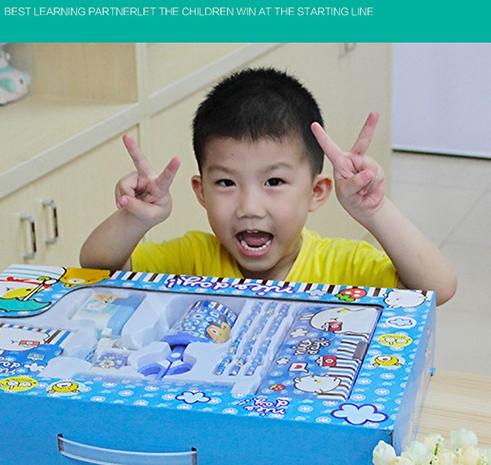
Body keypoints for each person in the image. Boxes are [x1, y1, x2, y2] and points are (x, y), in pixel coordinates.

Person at [80, 68, 456, 304]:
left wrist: (375, 211)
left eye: (274, 181)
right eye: (226, 182)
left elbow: (437, 289)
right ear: (201, 192)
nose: (250, 207)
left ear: (316, 192)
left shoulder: (342, 265)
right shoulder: (192, 259)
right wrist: (135, 219)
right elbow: (97, 267)